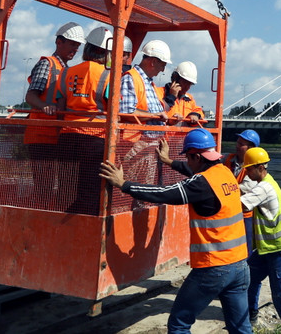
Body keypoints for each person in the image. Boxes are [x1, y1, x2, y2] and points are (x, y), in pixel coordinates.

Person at [99, 129, 251, 334]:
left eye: (188, 158)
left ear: (196, 156)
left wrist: (123, 184)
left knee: (179, 325)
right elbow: (194, 174)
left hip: (214, 267)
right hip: (240, 266)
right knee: (240, 327)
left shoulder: (202, 183)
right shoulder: (225, 172)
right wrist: (168, 161)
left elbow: (165, 193)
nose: (187, 163)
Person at [23, 22, 84, 208]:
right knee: (44, 187)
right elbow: (31, 95)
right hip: (41, 136)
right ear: (59, 42)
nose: (75, 48)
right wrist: (45, 107)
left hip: (55, 136)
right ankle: (41, 218)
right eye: (72, 44)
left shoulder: (66, 68)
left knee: (62, 186)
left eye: (77, 45)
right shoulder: (47, 64)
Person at [239, 147, 281, 332]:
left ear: (260, 167)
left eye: (248, 169)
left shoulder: (264, 187)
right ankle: (250, 316)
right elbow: (245, 191)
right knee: (248, 279)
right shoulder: (266, 181)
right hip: (267, 249)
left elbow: (240, 204)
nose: (246, 173)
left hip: (280, 250)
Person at [57, 26, 111, 214]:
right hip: (95, 138)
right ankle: (86, 229)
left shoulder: (66, 72)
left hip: (67, 137)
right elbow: (114, 107)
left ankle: (61, 227)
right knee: (90, 191)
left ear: (88, 48)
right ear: (107, 52)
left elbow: (61, 105)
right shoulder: (108, 75)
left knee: (66, 190)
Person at [117, 39, 172, 123]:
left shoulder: (149, 83)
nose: (163, 70)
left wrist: (171, 120)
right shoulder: (130, 78)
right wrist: (154, 115)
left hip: (148, 136)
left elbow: (158, 114)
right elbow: (126, 112)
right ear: (153, 62)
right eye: (162, 65)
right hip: (135, 135)